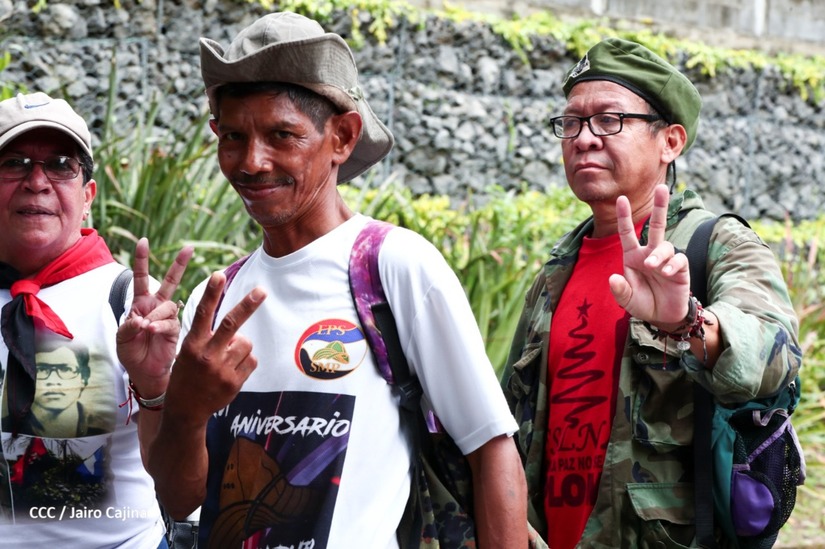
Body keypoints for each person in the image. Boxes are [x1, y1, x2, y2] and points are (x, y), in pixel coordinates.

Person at [115, 11, 529, 549]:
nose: (252, 162)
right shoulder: (215, 302)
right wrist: (178, 405)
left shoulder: (393, 267)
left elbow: (490, 450)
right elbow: (179, 500)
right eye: (234, 136)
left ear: (343, 137)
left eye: (282, 135)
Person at [500, 38, 802, 548]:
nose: (584, 139)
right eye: (571, 122)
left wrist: (685, 321)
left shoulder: (714, 244)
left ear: (671, 141)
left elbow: (776, 357)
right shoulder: (556, 272)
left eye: (609, 120)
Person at [0, 91, 179, 547]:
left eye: (61, 164)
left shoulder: (129, 303)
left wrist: (155, 385)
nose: (36, 181)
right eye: (15, 163)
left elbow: (183, 478)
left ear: (87, 197)